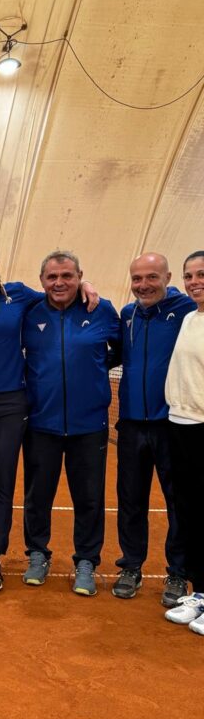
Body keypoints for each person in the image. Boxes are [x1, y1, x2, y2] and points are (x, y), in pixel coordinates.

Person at [0, 244, 98, 591]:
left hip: (13, 403)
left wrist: (88, 287)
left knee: (4, 480)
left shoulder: (20, 296)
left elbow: (58, 293)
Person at [21, 251, 120, 596]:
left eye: (67, 275)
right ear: (42, 281)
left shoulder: (101, 310)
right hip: (40, 423)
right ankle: (37, 553)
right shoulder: (29, 312)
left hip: (89, 424)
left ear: (80, 276)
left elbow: (120, 349)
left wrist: (93, 368)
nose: (59, 282)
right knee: (37, 496)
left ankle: (87, 561)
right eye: (52, 277)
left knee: (90, 497)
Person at [111, 253, 194, 604]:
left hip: (170, 425)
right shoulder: (128, 314)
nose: (143, 285)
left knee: (177, 502)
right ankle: (131, 565)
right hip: (130, 424)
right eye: (137, 279)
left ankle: (177, 573)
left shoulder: (187, 311)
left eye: (151, 277)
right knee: (130, 500)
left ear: (168, 277)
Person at [164, 251, 204, 635]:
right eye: (190, 275)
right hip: (179, 423)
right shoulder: (190, 316)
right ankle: (201, 591)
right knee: (190, 511)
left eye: (202, 274)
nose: (195, 281)